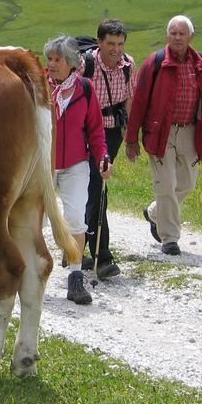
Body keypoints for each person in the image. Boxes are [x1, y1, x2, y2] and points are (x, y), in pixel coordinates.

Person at [125, 15, 202, 256]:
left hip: (189, 131)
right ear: (168, 36)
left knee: (187, 183)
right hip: (160, 132)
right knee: (166, 184)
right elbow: (140, 100)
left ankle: (155, 213)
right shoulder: (155, 62)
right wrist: (132, 138)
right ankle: (170, 238)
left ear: (191, 37)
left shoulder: (201, 64)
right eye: (173, 33)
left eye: (181, 33)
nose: (177, 37)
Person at [45, 35, 113, 304]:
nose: (51, 64)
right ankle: (27, 274)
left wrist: (103, 157)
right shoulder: (39, 87)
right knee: (35, 220)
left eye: (57, 59)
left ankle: (75, 278)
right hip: (43, 166)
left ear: (72, 62)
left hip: (75, 164)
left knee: (75, 218)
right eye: (49, 59)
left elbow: (95, 130)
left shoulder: (85, 88)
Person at [82, 19, 135, 279]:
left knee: (95, 186)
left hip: (113, 132)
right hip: (87, 133)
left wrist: (130, 137)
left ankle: (77, 245)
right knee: (95, 185)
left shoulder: (128, 65)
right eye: (111, 44)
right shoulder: (86, 65)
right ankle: (101, 256)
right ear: (100, 42)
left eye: (120, 43)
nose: (116, 49)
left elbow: (127, 101)